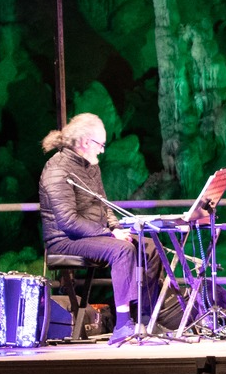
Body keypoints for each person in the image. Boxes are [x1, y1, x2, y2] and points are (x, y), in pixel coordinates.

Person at [37, 112, 162, 341]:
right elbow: (67, 221)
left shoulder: (91, 166)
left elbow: (103, 204)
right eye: (101, 145)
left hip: (93, 235)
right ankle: (123, 324)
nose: (103, 150)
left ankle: (146, 318)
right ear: (86, 142)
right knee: (122, 249)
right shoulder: (57, 170)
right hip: (65, 240)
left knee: (150, 248)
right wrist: (109, 233)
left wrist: (116, 227)